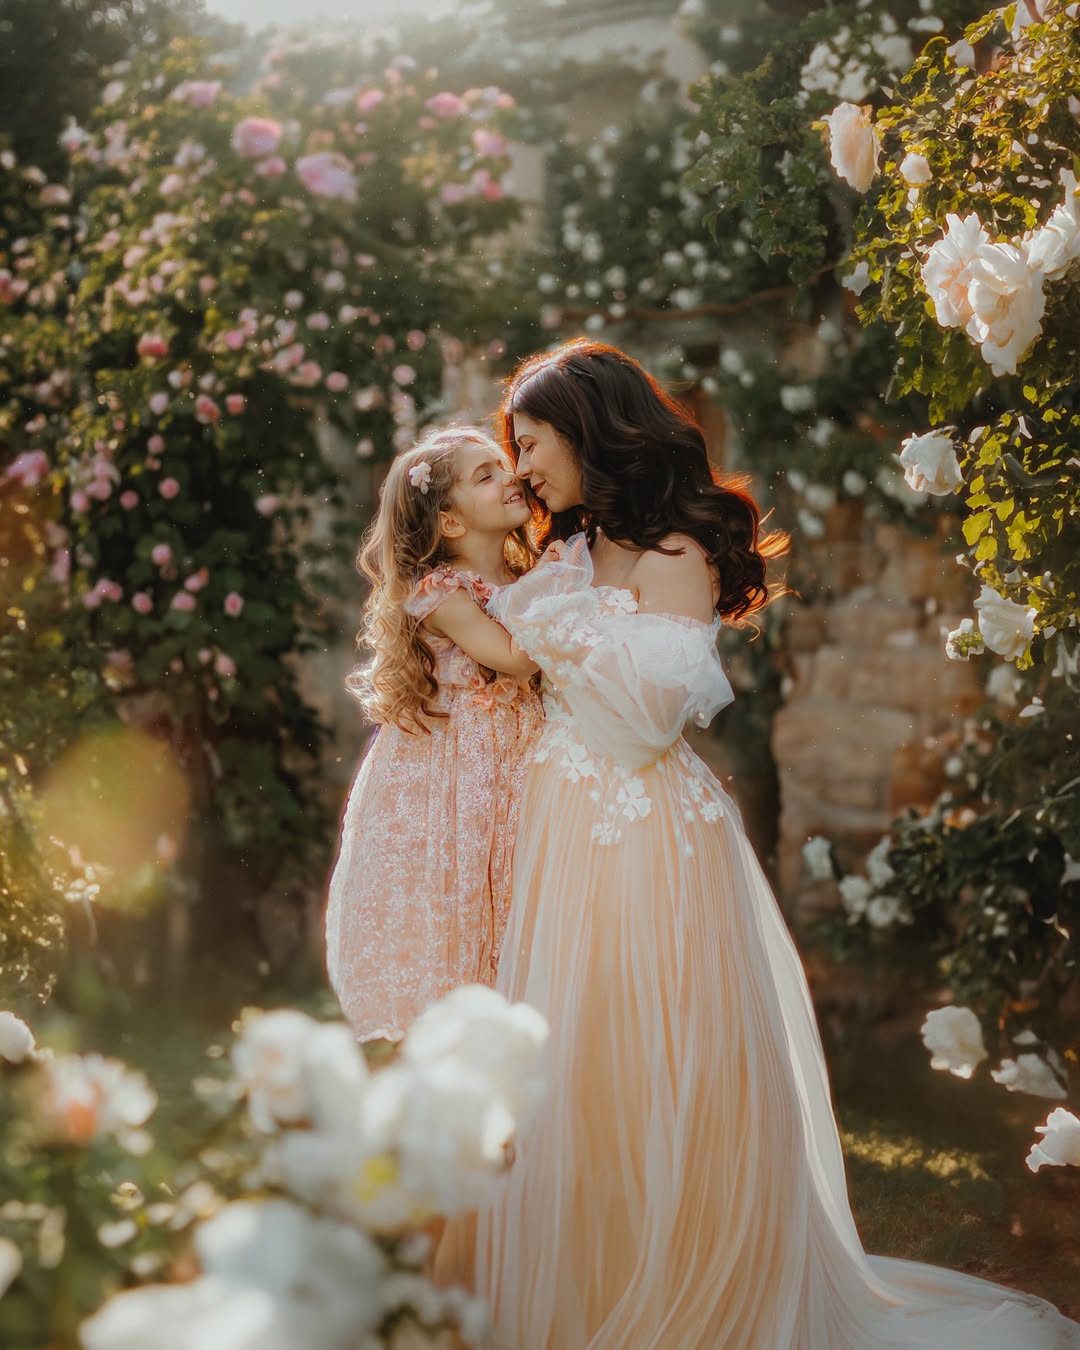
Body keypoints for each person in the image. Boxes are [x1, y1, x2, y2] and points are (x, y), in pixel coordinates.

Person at [440, 340, 1080, 1348]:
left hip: (649, 837)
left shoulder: (675, 554)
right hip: (561, 834)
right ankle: (586, 1282)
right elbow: (515, 657)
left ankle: (692, 1288)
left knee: (668, 1060)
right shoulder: (567, 552)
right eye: (515, 445)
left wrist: (545, 639)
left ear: (592, 431)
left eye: (536, 439)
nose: (522, 463)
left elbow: (649, 716)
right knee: (574, 1066)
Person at [325, 426, 543, 1043]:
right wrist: (561, 594)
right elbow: (515, 656)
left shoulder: (526, 573)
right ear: (449, 522)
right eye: (487, 476)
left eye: (504, 466)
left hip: (518, 758)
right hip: (456, 771)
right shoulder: (440, 594)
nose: (510, 477)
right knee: (463, 891)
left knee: (514, 887)